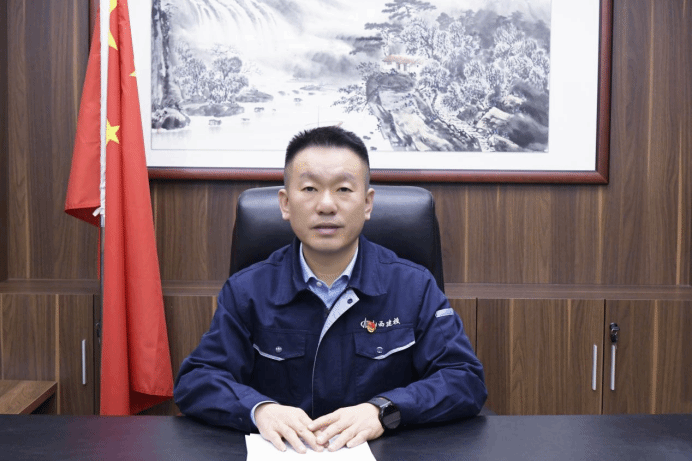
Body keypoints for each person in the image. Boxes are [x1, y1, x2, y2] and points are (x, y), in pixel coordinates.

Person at [174, 126, 487, 453]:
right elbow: (198, 379)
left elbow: (463, 379)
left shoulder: (414, 287)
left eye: (343, 189)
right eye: (309, 188)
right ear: (285, 203)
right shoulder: (247, 290)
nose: (326, 205)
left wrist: (385, 410)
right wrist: (259, 409)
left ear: (367, 204)